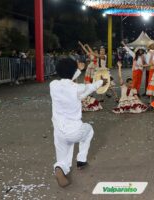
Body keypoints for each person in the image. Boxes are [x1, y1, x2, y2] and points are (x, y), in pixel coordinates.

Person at [49, 58, 107, 187]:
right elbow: (90, 87)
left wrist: (77, 70)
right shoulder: (78, 88)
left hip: (59, 131)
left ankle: (59, 168)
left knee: (63, 159)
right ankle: (81, 160)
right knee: (89, 130)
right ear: (74, 72)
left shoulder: (53, 85)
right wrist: (101, 82)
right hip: (75, 131)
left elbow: (67, 79)